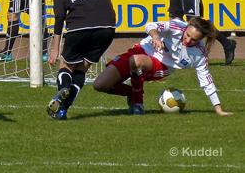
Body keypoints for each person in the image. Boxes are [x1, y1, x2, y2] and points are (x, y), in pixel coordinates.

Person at [45, 0, 162, 120]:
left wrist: (55, 48)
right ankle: (63, 109)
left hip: (79, 26)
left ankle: (63, 87)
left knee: (66, 66)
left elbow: (60, 16)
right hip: (106, 27)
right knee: (82, 68)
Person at [93, 17, 233, 116]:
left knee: (136, 61)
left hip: (161, 65)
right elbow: (150, 25)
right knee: (99, 85)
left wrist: (218, 109)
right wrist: (155, 37)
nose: (188, 40)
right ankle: (133, 92)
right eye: (187, 35)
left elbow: (206, 81)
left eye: (193, 40)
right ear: (186, 28)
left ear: (201, 39)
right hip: (139, 51)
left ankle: (138, 104)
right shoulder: (177, 26)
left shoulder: (199, 54)